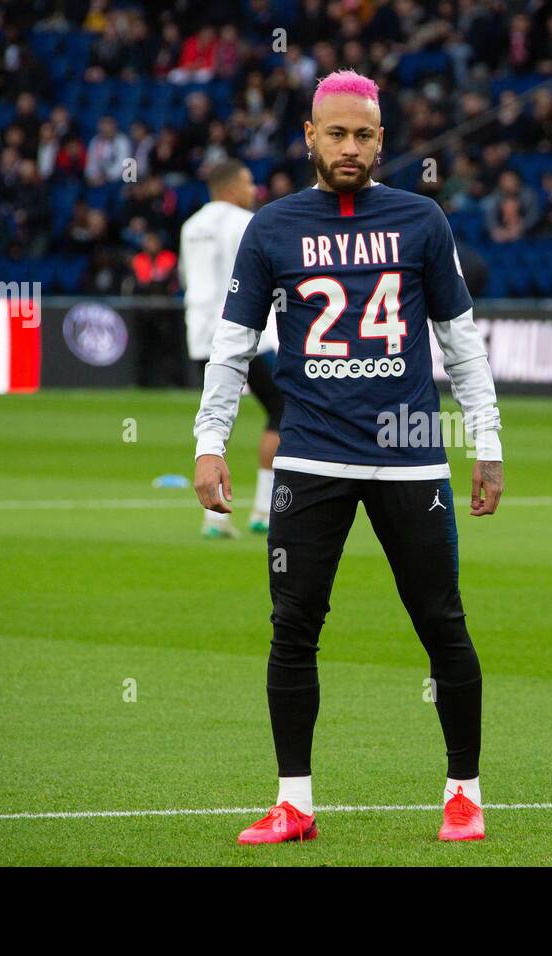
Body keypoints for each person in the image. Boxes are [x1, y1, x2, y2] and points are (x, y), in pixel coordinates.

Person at [192, 69, 503, 845]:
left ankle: (463, 793)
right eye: (337, 133)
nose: (351, 147)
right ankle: (294, 802)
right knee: (293, 628)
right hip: (312, 454)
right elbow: (231, 349)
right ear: (309, 136)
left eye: (365, 135)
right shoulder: (271, 228)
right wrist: (209, 443)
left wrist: (487, 443)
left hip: (408, 455)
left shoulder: (423, 220)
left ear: (382, 140)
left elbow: (462, 347)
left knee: (442, 623)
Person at [179, 159, 282, 537]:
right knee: (283, 410)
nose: (253, 189)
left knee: (219, 415)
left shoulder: (191, 226)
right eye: (247, 182)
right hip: (240, 335)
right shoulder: (243, 222)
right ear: (230, 187)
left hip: (199, 334)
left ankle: (217, 517)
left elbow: (186, 278)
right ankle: (264, 511)